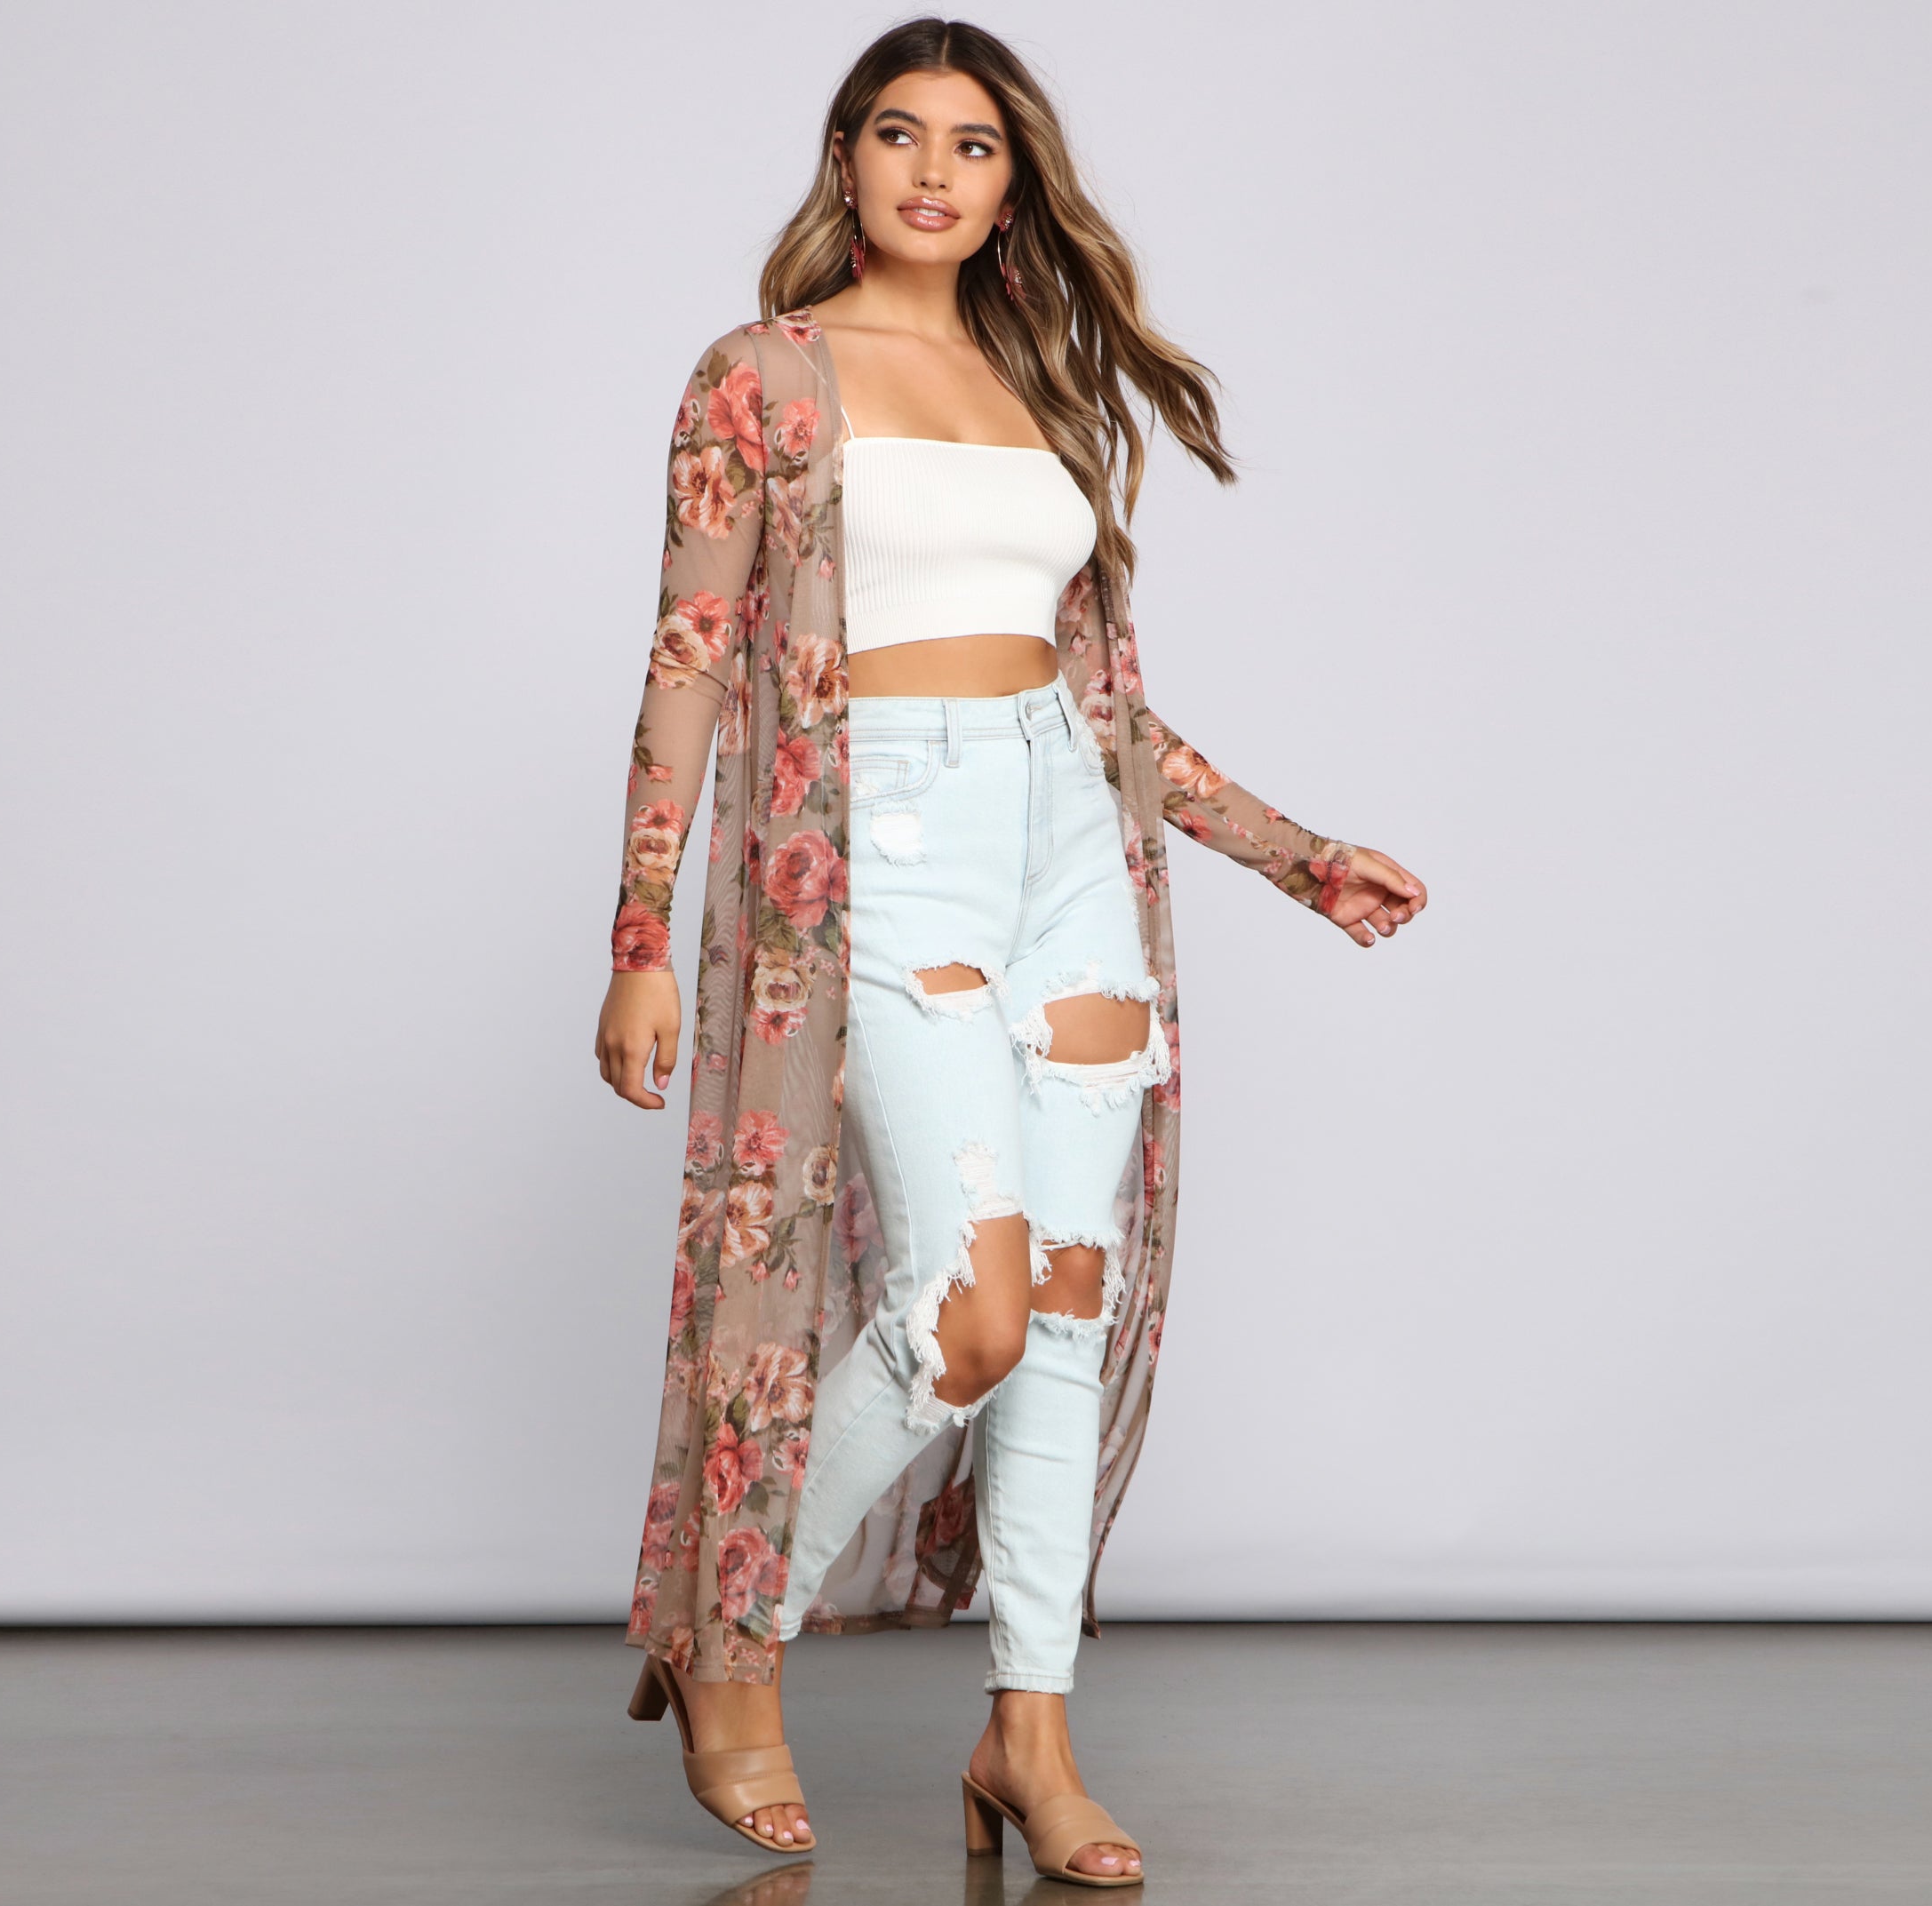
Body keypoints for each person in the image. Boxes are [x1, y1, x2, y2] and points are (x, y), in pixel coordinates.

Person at [595, 18, 1425, 1886]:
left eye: (972, 146)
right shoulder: (761, 376)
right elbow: (690, 658)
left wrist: (1297, 857)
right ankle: (730, 1627)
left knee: (1057, 1296)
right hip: (874, 840)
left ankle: (1026, 1732)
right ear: (844, 160)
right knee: (959, 1311)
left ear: (1010, 182)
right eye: (898, 134)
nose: (933, 172)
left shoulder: (1044, 378)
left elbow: (1098, 701)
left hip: (1062, 845)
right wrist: (640, 933)